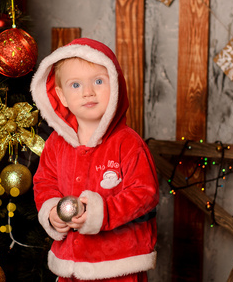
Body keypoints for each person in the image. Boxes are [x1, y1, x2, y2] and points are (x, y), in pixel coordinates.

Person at [30, 38, 159, 282]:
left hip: (119, 265)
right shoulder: (56, 144)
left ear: (116, 85)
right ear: (62, 96)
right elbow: (44, 182)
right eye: (75, 85)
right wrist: (52, 211)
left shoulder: (128, 143)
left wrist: (102, 212)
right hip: (70, 264)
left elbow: (145, 192)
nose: (88, 92)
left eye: (99, 81)